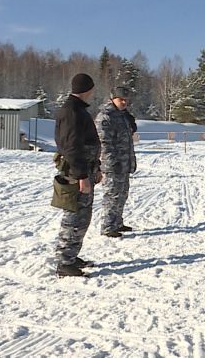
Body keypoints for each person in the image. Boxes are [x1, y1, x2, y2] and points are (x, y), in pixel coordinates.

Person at [53, 73, 101, 277]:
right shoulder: (72, 112)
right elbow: (72, 147)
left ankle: (71, 255)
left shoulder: (77, 109)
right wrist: (82, 176)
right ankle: (64, 262)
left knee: (82, 217)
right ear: (88, 90)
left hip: (84, 170)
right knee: (74, 217)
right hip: (76, 173)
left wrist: (95, 168)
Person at [95, 87, 137, 238]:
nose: (124, 102)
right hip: (112, 165)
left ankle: (117, 222)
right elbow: (104, 143)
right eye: (121, 99)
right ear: (113, 99)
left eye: (127, 100)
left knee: (122, 194)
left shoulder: (122, 115)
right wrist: (112, 162)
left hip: (124, 163)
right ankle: (107, 226)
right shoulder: (106, 117)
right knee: (112, 195)